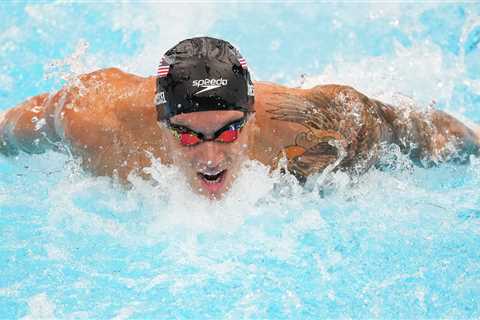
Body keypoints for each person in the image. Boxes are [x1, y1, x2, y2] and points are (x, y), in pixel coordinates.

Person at [1, 36, 479, 199]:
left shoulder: (309, 125)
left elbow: (404, 124)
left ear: (252, 115)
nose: (211, 156)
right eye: (187, 137)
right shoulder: (91, 119)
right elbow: (14, 127)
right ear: (159, 118)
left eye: (229, 131)